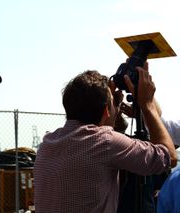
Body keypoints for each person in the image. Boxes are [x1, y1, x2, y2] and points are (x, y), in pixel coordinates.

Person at [33, 63, 177, 213]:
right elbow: (169, 157)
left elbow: (100, 131)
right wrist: (147, 105)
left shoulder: (47, 143)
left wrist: (108, 104)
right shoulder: (106, 142)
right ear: (106, 111)